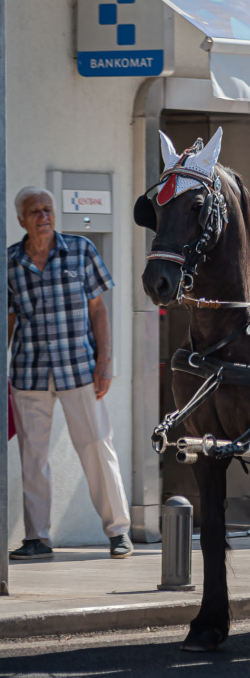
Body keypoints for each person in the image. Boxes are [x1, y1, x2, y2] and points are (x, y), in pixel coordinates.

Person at [7, 187, 132, 560]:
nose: (43, 215)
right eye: (34, 211)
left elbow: (99, 311)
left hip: (79, 368)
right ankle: (37, 538)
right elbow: (9, 322)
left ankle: (118, 532)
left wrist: (104, 362)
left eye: (48, 209)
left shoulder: (80, 250)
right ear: (21, 220)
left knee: (97, 447)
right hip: (29, 372)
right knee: (33, 456)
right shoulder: (10, 262)